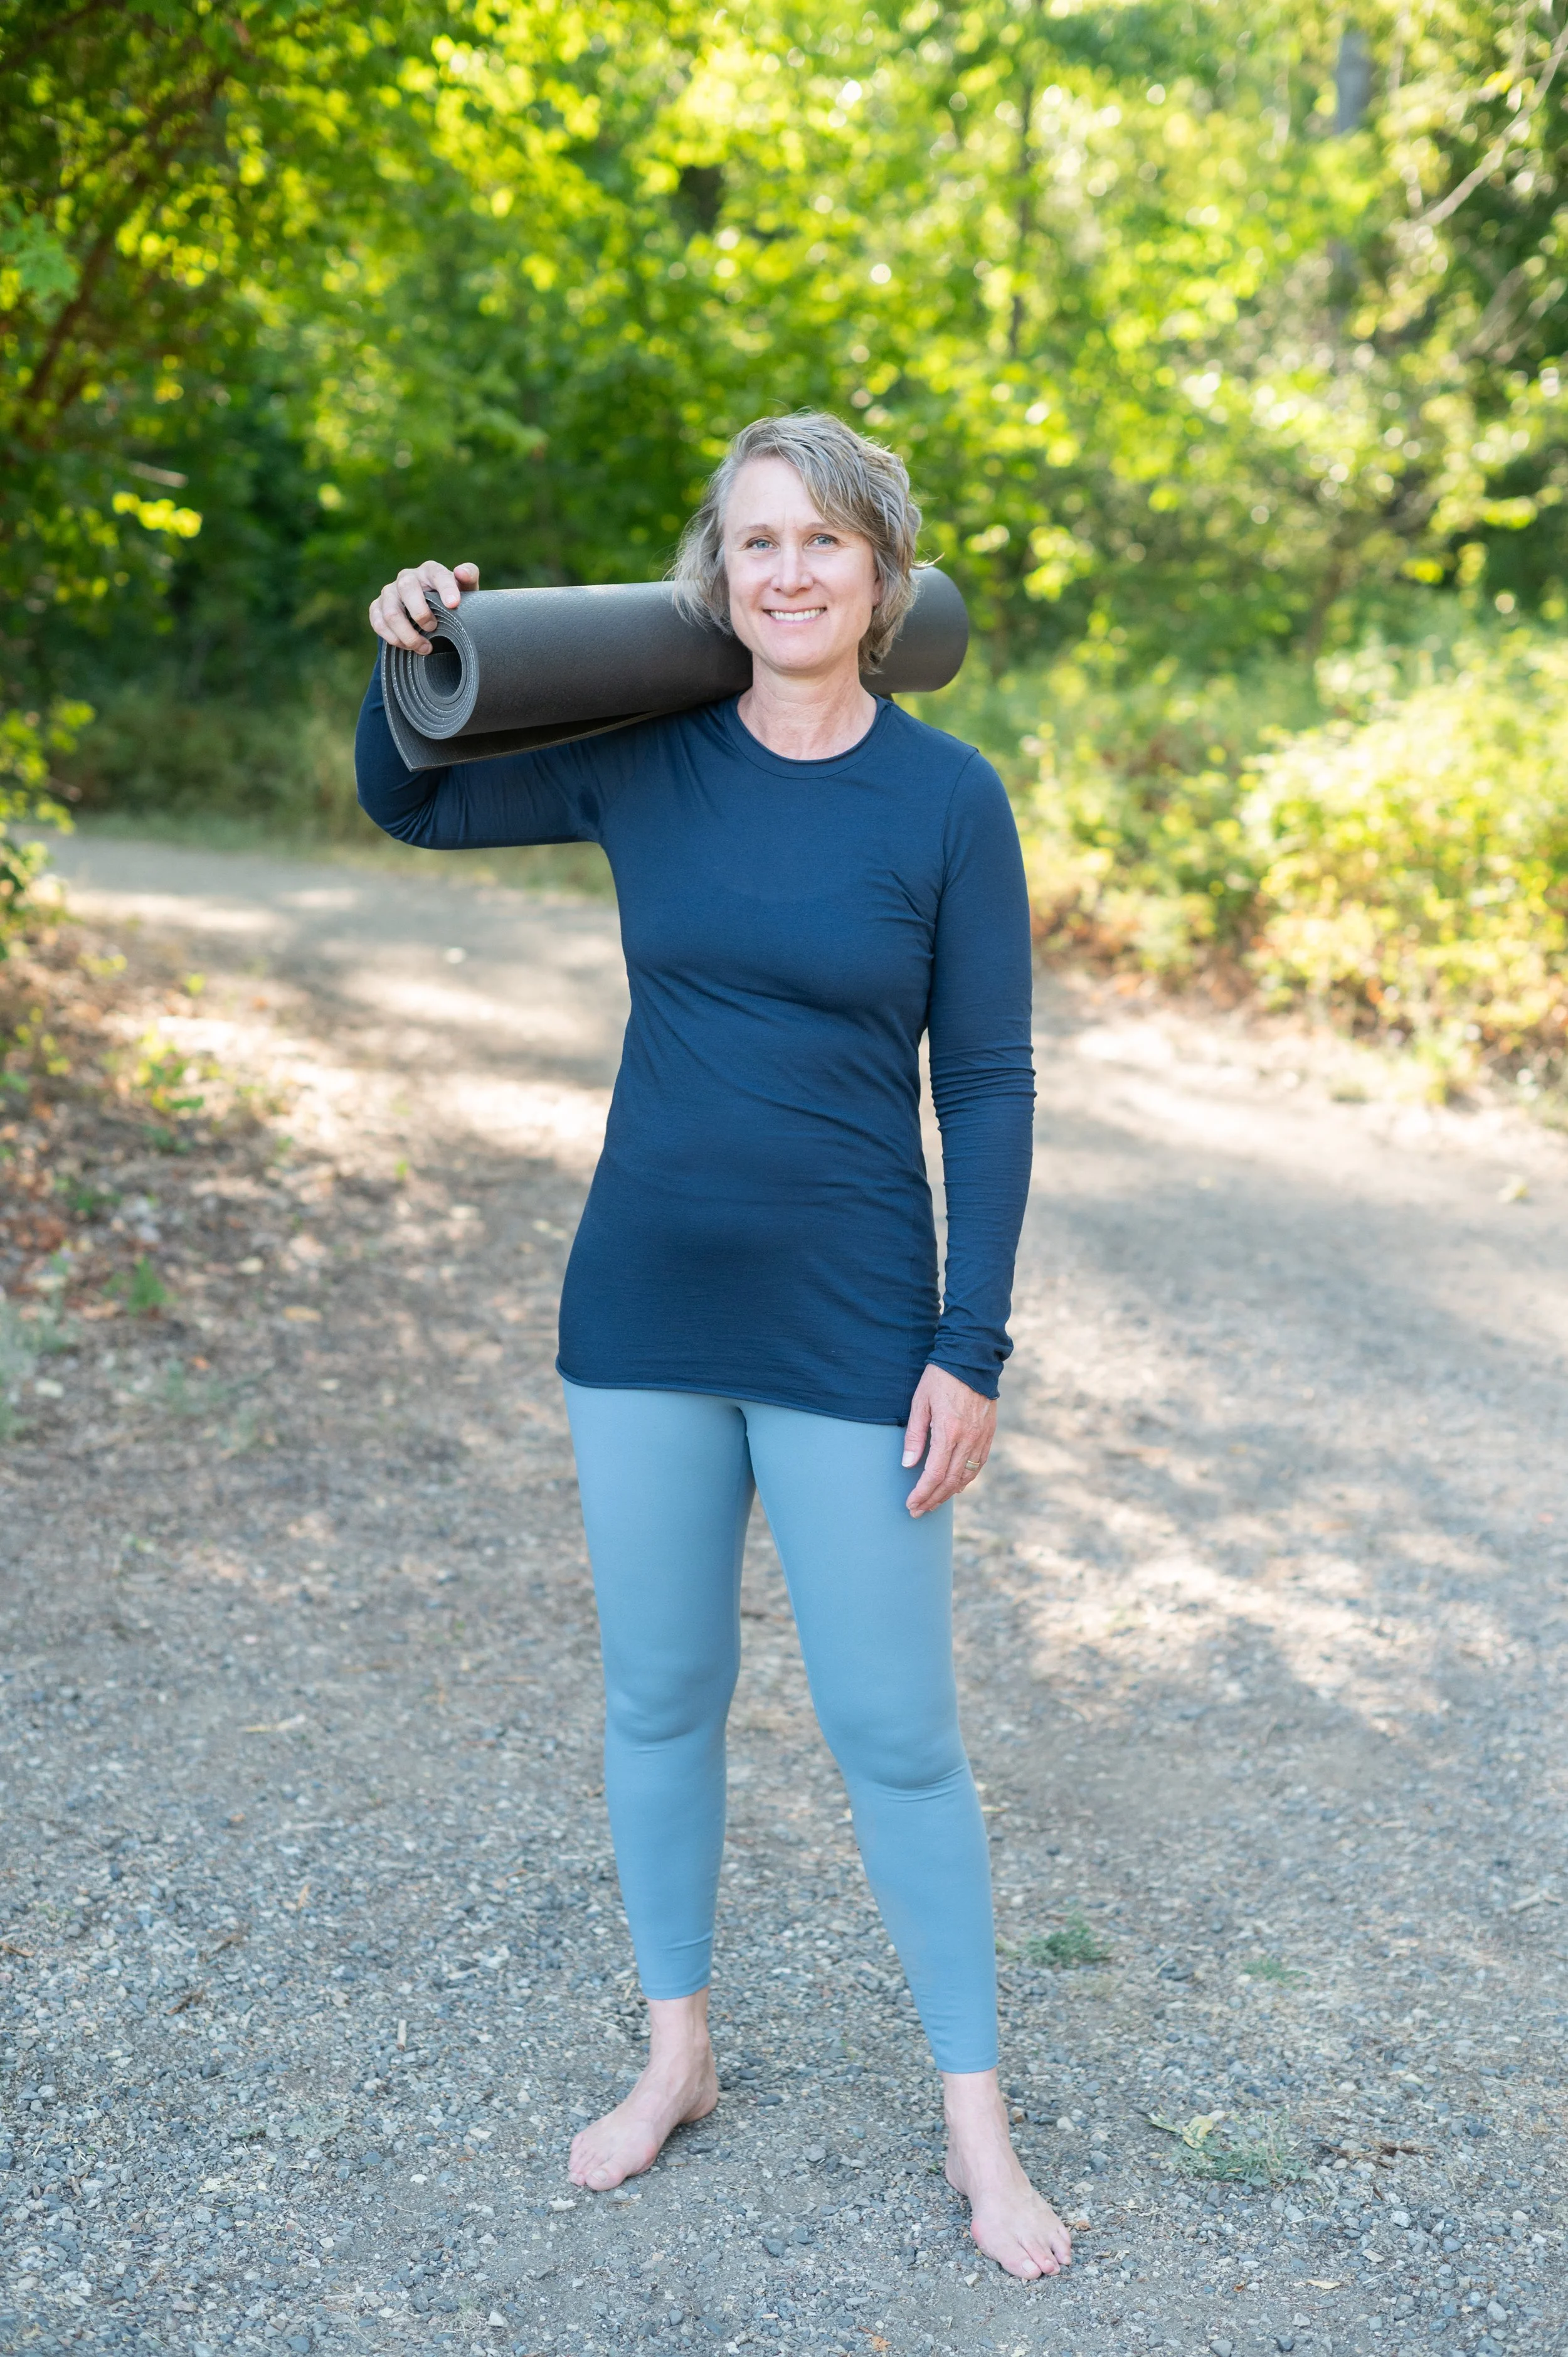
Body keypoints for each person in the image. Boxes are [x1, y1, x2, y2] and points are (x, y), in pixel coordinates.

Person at [357, 412, 1070, 2281]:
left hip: (851, 1330)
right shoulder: (653, 760)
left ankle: (975, 2127)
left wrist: (967, 1342)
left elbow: (984, 1081)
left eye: (822, 543)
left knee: (896, 1735)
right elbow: (416, 796)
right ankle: (675, 2050)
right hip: (644, 1316)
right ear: (717, 573)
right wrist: (402, 644)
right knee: (659, 1695)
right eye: (754, 542)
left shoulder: (947, 800)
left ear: (881, 577)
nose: (786, 572)